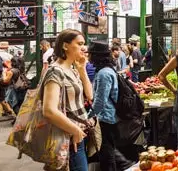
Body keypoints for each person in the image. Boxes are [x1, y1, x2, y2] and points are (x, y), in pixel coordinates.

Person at [41, 29, 93, 171]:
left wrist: (82, 70)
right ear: (65, 46)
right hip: (67, 137)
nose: (84, 48)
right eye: (79, 43)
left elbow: (90, 95)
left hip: (78, 135)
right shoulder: (55, 71)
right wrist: (75, 130)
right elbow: (49, 110)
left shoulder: (73, 69)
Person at [89, 41, 134, 171]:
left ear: (97, 56)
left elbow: (100, 101)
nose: (89, 57)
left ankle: (125, 164)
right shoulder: (108, 70)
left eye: (90, 54)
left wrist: (89, 117)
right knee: (108, 149)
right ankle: (125, 164)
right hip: (110, 116)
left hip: (106, 117)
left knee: (106, 152)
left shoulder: (104, 74)